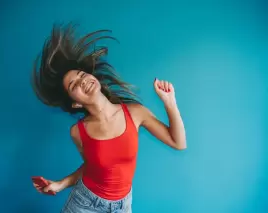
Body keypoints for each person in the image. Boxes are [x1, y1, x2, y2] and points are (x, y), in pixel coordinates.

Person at [31, 23, 187, 213]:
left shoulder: (135, 112)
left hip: (123, 206)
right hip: (85, 204)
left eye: (82, 75)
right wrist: (60, 184)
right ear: (76, 103)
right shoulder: (78, 132)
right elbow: (91, 167)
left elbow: (178, 142)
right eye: (74, 86)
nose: (82, 81)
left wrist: (169, 102)